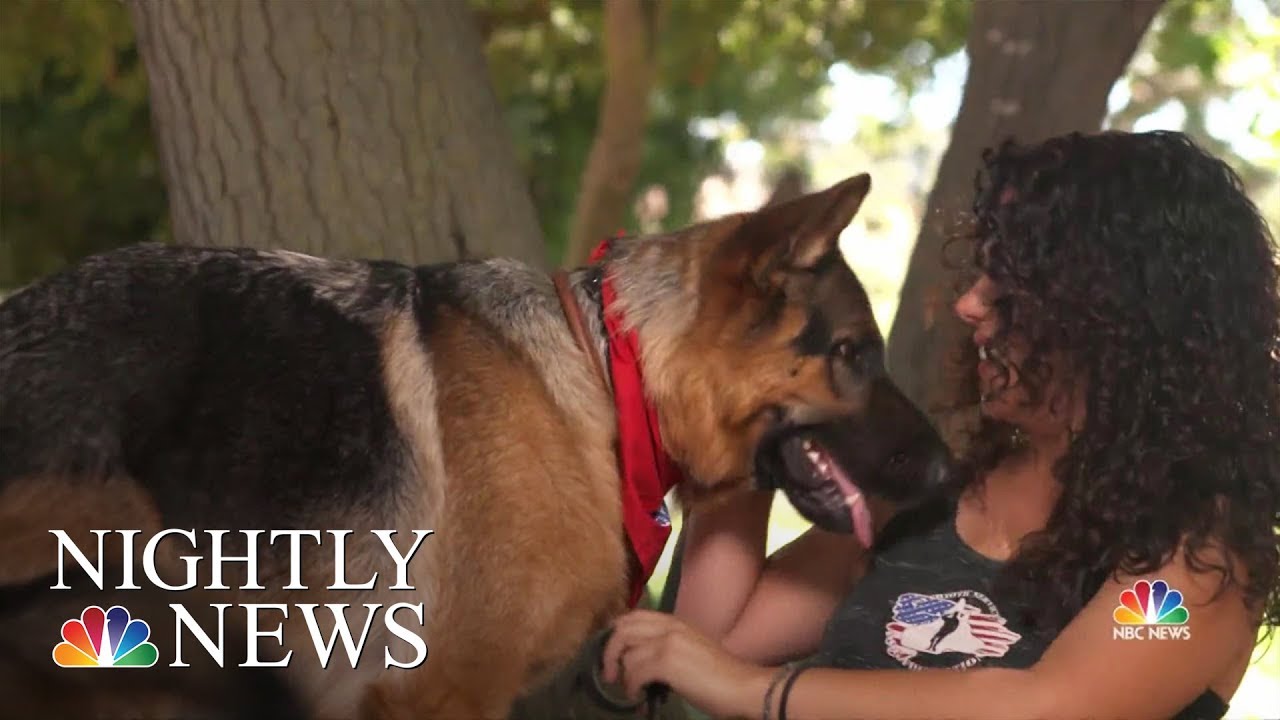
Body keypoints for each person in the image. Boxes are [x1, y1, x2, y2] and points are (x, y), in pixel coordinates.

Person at [601, 130, 1280, 720]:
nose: (968, 303)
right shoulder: (932, 503)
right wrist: (752, 404)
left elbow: (1050, 706)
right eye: (981, 271)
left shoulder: (1190, 568)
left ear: (1115, 321)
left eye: (1011, 285)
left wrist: (760, 693)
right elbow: (710, 646)